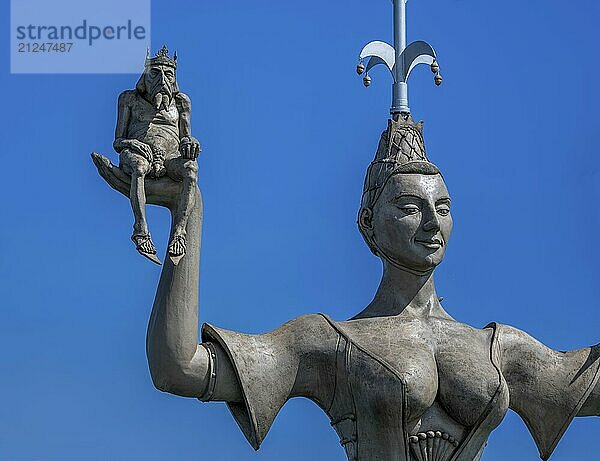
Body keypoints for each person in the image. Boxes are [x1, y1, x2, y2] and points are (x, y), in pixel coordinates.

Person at [93, 115, 600, 461]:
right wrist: (189, 213)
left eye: (443, 208)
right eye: (409, 207)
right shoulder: (328, 343)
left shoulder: (498, 349)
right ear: (368, 222)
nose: (431, 222)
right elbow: (177, 367)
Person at [113, 46, 201, 264]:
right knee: (139, 168)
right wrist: (132, 143)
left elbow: (186, 137)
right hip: (138, 152)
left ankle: (179, 232)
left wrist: (191, 143)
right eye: (155, 73)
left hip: (170, 157)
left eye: (167, 74)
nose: (162, 79)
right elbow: (117, 141)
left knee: (191, 170)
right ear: (146, 75)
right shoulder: (129, 99)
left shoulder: (181, 102)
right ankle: (140, 228)